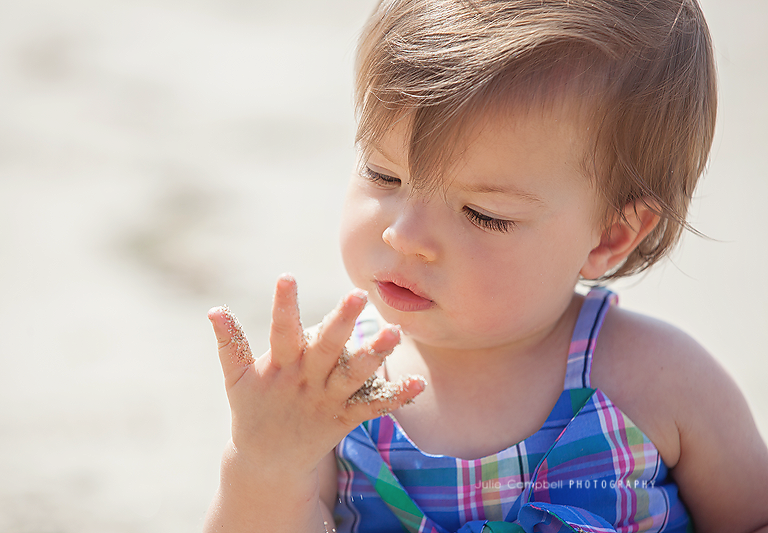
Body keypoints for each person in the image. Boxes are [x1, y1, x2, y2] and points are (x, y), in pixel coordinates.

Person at [202, 0, 768, 531]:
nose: (405, 236)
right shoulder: (330, 397)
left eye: (483, 214)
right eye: (383, 175)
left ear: (611, 236)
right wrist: (265, 463)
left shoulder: (662, 382)